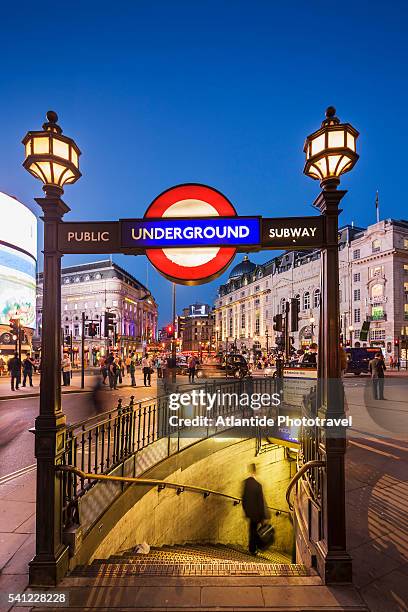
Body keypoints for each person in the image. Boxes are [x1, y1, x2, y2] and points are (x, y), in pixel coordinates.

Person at [242, 463, 267, 555]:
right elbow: (260, 502)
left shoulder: (246, 483)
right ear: (255, 471)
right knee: (254, 530)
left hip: (249, 512)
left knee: (252, 530)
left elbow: (243, 498)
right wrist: (262, 517)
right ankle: (254, 548)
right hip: (257, 513)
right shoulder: (258, 485)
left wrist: (246, 510)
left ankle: (252, 548)